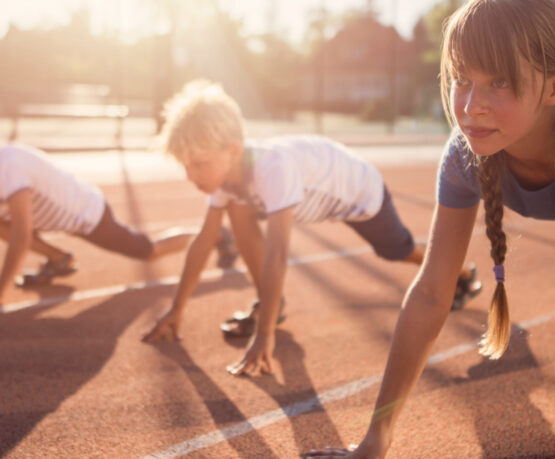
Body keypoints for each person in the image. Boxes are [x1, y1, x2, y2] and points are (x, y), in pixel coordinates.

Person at [306, 0, 555, 459]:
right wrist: (379, 431)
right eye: (462, 80)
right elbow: (432, 292)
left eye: (500, 83)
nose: (471, 105)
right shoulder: (467, 156)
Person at [142, 80, 483, 374]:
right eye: (186, 166)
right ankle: (270, 303)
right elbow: (204, 241)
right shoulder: (224, 178)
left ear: (232, 150)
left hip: (360, 194)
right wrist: (176, 309)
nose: (191, 176)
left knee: (397, 251)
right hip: (320, 189)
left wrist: (264, 336)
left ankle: (461, 274)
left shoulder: (272, 169)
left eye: (199, 164)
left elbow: (277, 256)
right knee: (237, 209)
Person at [0, 142, 236, 306]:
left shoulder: (9, 167)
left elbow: (21, 235)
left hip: (87, 214)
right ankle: (58, 259)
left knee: (148, 251)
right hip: (52, 214)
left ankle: (215, 235)